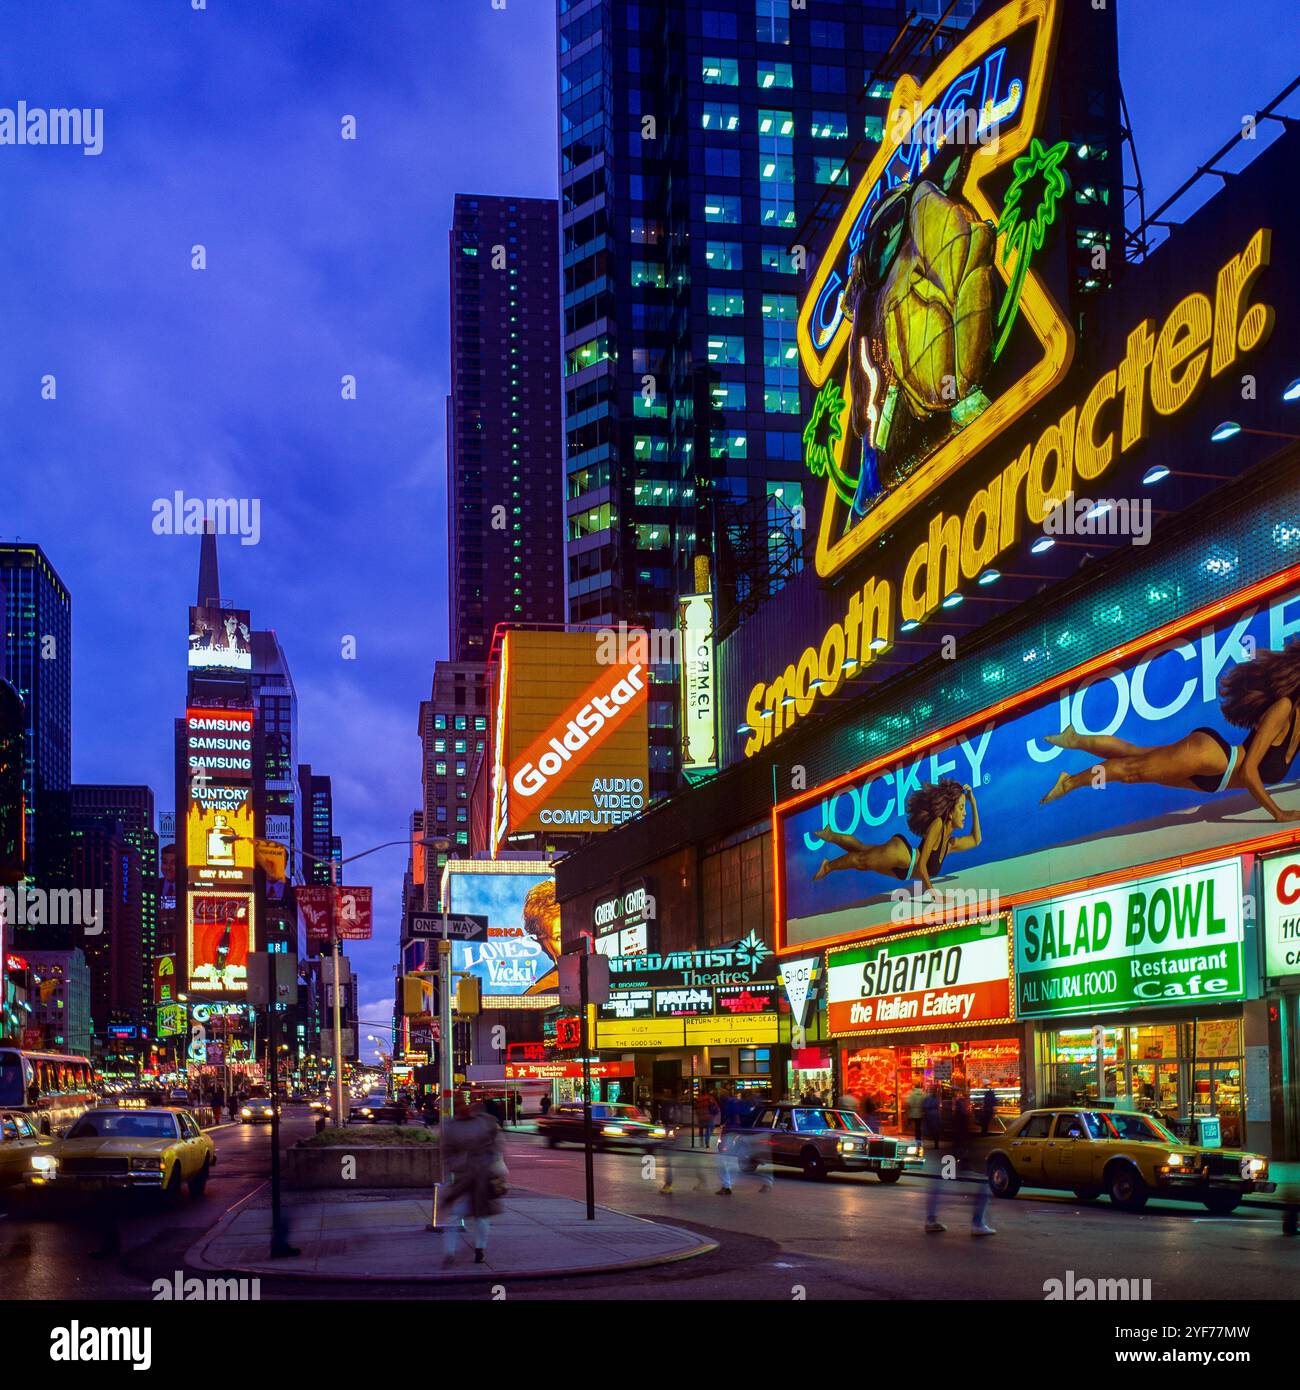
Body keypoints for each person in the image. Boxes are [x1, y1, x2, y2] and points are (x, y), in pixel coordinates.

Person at [1041, 640, 1300, 818]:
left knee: (1134, 754)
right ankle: (1070, 781)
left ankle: (1075, 739)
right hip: (1211, 758)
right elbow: (1249, 770)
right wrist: (1278, 813)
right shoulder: (1284, 708)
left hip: (1213, 780)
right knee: (1133, 772)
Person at [811, 781, 982, 897]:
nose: (964, 813)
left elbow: (976, 840)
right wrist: (934, 895)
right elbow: (922, 864)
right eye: (961, 808)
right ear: (950, 812)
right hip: (901, 856)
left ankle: (831, 835)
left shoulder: (950, 844)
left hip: (902, 872)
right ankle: (828, 865)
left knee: (863, 849)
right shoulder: (938, 825)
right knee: (862, 861)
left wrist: (973, 803)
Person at [439, 1101, 504, 1266]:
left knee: (470, 1216)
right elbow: (496, 1148)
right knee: (471, 1216)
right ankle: (461, 1251)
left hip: (474, 1176)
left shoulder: (461, 1126)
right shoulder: (484, 1123)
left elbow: (496, 1148)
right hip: (470, 1176)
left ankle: (463, 1251)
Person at [925, 1087, 994, 1237]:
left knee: (939, 1186)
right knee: (982, 1187)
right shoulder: (960, 1113)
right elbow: (963, 1134)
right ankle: (978, 1223)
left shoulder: (942, 1111)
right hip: (956, 1154)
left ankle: (931, 1220)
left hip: (947, 1152)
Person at [921, 1085, 942, 1150]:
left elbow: (924, 1106)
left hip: (929, 1115)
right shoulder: (936, 1099)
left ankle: (923, 1145)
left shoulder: (927, 1099)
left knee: (927, 1129)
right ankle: (936, 1144)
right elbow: (938, 1105)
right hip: (935, 1115)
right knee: (935, 1130)